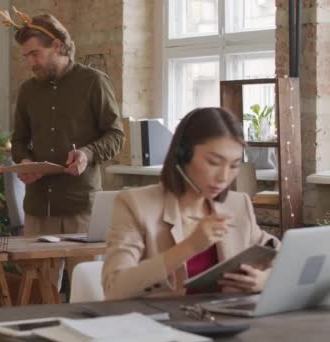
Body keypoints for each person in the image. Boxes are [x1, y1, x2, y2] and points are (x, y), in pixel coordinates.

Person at [102, 107, 280, 300]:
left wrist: (265, 280)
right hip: (161, 325)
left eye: (234, 165)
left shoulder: (237, 205)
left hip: (226, 321)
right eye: (213, 162)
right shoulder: (135, 205)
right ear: (182, 155)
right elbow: (114, 289)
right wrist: (190, 247)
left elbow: (283, 258)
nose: (224, 177)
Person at [9, 11, 124, 290]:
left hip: (80, 207)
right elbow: (19, 140)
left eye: (35, 54)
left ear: (58, 46)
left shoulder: (94, 82)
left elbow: (116, 135)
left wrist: (87, 153)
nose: (30, 62)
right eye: (26, 56)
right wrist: (24, 161)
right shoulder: (27, 91)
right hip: (38, 208)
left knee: (89, 289)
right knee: (38, 294)